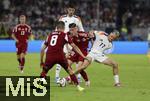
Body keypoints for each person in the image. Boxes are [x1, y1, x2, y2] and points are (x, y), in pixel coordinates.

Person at [40, 21, 85, 91]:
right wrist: (83, 55)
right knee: (70, 71)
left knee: (44, 71)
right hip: (60, 56)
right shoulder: (64, 35)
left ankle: (40, 87)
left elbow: (42, 49)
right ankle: (78, 87)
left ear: (57, 28)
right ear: (63, 28)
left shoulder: (50, 35)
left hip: (50, 56)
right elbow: (74, 46)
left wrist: (41, 61)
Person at [55, 4, 84, 83]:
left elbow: (81, 30)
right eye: (69, 10)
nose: (71, 11)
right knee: (60, 58)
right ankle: (57, 77)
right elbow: (57, 28)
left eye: (72, 10)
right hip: (63, 40)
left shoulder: (77, 18)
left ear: (74, 10)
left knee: (76, 59)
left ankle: (77, 77)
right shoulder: (62, 18)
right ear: (67, 10)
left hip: (73, 41)